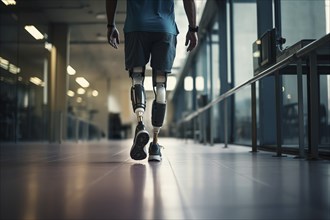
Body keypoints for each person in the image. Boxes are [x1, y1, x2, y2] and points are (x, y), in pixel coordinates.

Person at [106, 0, 198, 162]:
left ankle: (140, 124)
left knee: (137, 77)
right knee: (161, 83)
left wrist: (110, 25)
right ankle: (155, 144)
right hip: (165, 28)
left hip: (136, 26)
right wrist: (192, 28)